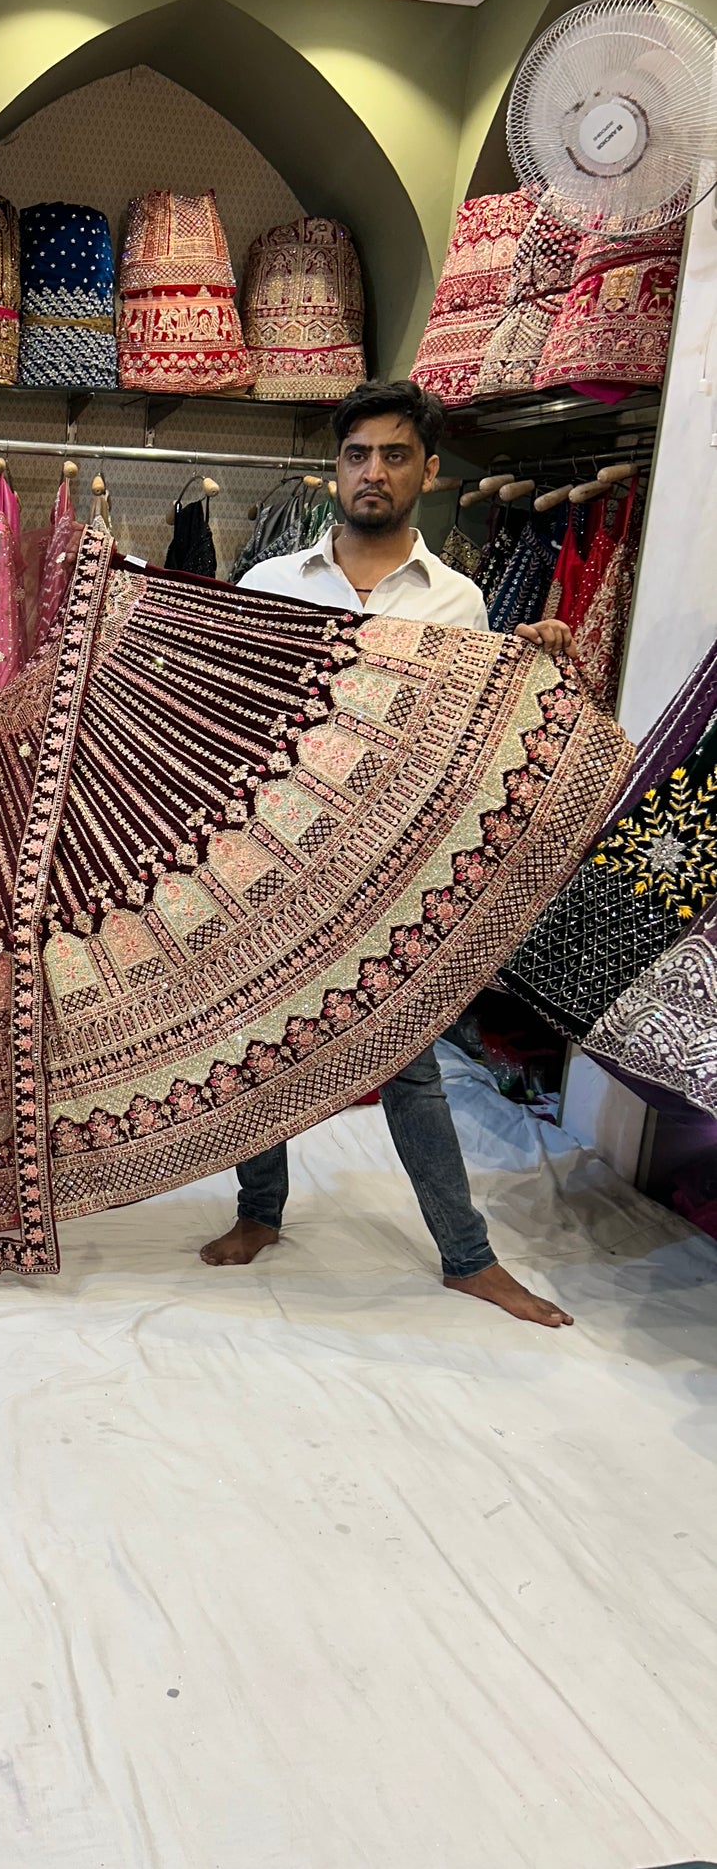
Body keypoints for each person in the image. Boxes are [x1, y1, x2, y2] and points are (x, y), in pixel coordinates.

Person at [200, 379, 577, 1328]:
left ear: (429, 471)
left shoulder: (458, 602)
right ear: (334, 468)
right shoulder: (271, 584)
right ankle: (259, 1212)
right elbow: (231, 717)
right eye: (357, 454)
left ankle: (467, 1256)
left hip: (387, 868)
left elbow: (468, 742)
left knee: (407, 1060)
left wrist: (528, 662)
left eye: (394, 454)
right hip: (275, 850)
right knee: (259, 1043)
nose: (373, 471)